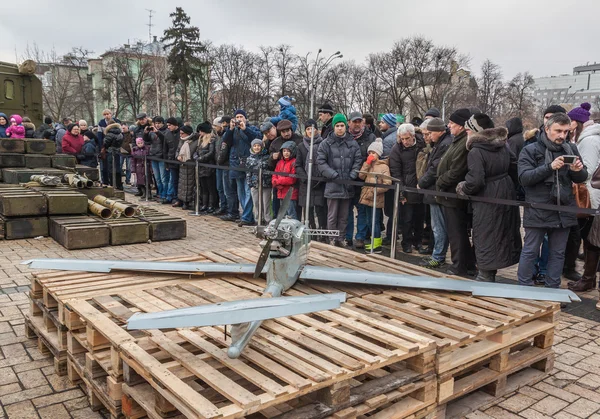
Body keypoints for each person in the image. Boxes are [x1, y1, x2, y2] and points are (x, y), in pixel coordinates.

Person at [517, 113, 587, 289]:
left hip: (563, 209)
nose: (562, 135)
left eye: (566, 131)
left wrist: (577, 170)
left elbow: (581, 177)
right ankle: (524, 287)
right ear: (547, 129)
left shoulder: (571, 149)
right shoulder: (530, 149)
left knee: (558, 253)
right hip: (538, 208)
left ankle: (552, 289)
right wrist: (549, 167)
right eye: (558, 131)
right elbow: (524, 178)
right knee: (531, 250)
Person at [455, 114, 522, 282]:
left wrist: (463, 187)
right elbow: (514, 167)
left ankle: (485, 275)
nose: (466, 133)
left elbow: (475, 181)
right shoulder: (503, 145)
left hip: (486, 197)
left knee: (484, 233)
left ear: (477, 131)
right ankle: (489, 273)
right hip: (505, 192)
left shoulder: (476, 151)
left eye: (468, 129)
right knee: (499, 232)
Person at [436, 108, 475, 275]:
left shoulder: (463, 142)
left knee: (457, 233)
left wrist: (440, 181)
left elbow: (456, 170)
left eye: (452, 123)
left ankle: (459, 265)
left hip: (453, 195)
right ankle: (466, 264)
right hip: (448, 194)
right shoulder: (457, 140)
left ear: (460, 126)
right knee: (456, 232)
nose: (449, 126)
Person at [317, 113, 362, 247]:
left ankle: (341, 238)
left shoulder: (352, 143)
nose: (340, 128)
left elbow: (357, 160)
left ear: (346, 126)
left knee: (344, 215)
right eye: (337, 126)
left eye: (342, 125)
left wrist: (352, 175)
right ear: (334, 127)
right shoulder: (326, 143)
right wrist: (333, 175)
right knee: (332, 215)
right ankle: (332, 238)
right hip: (332, 184)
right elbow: (321, 162)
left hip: (347, 185)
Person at [569, 118, 600, 292]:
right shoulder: (593, 139)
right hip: (596, 197)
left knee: (592, 240)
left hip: (592, 196)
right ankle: (589, 278)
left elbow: (588, 172)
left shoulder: (589, 141)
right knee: (592, 240)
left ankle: (589, 279)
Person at [418, 118, 452, 268]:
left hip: (436, 191)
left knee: (438, 226)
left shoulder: (444, 145)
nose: (429, 136)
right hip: (434, 190)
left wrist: (422, 182)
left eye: (430, 133)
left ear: (439, 131)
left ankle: (438, 256)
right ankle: (437, 255)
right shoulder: (439, 144)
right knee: (437, 226)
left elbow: (434, 169)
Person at [223, 109, 261, 227]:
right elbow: (225, 141)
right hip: (236, 164)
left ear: (245, 118)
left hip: (249, 164)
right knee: (241, 193)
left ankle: (247, 217)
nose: (239, 119)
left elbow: (256, 139)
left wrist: (245, 129)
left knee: (248, 191)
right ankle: (246, 215)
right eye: (237, 117)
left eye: (241, 116)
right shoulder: (233, 130)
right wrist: (230, 128)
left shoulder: (252, 128)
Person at [390, 123, 425, 253]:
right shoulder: (396, 149)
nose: (404, 141)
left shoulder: (422, 144)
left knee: (420, 218)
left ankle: (418, 242)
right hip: (406, 187)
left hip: (421, 186)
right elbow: (396, 172)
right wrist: (401, 193)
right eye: (402, 139)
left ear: (413, 136)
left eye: (407, 138)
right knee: (407, 218)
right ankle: (407, 242)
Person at [346, 111, 375, 248]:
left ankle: (360, 237)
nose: (357, 124)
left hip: (363, 180)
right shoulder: (344, 137)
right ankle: (348, 236)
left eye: (359, 121)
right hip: (347, 178)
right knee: (347, 210)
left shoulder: (370, 137)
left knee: (362, 210)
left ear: (363, 122)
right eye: (354, 121)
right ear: (349, 123)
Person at [358, 138, 390, 253]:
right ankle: (372, 241)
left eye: (373, 153)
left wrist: (375, 191)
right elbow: (361, 176)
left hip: (376, 198)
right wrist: (367, 163)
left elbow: (387, 183)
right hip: (366, 197)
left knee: (374, 221)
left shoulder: (383, 167)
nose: (371, 155)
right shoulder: (368, 165)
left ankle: (377, 244)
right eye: (369, 153)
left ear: (379, 154)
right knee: (368, 220)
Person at [296, 119, 327, 230]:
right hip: (306, 183)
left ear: (317, 130)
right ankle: (310, 231)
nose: (310, 131)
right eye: (308, 129)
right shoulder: (301, 146)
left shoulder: (323, 144)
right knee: (308, 210)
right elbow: (298, 165)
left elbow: (326, 162)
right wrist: (304, 178)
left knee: (320, 210)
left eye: (312, 129)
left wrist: (320, 178)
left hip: (319, 182)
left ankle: (322, 231)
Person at [194, 121, 218, 213]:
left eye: (201, 131)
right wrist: (196, 156)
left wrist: (201, 158)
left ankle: (211, 205)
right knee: (203, 187)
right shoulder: (200, 139)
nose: (200, 133)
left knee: (210, 187)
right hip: (201, 167)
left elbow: (211, 153)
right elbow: (197, 150)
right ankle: (205, 204)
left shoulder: (211, 139)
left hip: (208, 166)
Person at [247, 139, 272, 224]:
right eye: (255, 146)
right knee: (256, 203)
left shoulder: (266, 157)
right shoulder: (249, 158)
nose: (256, 147)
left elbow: (270, 169)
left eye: (258, 146)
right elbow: (248, 172)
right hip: (255, 184)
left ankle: (267, 220)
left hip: (266, 184)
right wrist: (250, 183)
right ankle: (258, 220)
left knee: (266, 204)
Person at [272, 141, 298, 219]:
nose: (286, 153)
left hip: (290, 193)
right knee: (283, 214)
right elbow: (274, 175)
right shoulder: (279, 162)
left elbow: (292, 179)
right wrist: (275, 182)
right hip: (281, 192)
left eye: (288, 151)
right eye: (284, 151)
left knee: (291, 214)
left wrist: (278, 181)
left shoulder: (294, 162)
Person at [176, 125, 199, 210]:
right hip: (182, 165)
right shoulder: (181, 140)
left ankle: (187, 201)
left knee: (189, 184)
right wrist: (177, 156)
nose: (181, 135)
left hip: (190, 165)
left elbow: (196, 152)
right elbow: (178, 149)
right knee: (182, 184)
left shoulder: (195, 141)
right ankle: (181, 200)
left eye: (182, 133)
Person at [144, 117, 167, 203]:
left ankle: (164, 194)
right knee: (157, 178)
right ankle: (159, 192)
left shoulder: (166, 131)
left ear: (162, 123)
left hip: (161, 156)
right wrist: (146, 133)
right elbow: (146, 140)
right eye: (155, 123)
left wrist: (157, 132)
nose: (157, 125)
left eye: (159, 123)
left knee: (163, 177)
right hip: (153, 155)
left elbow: (164, 139)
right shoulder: (152, 132)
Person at [97, 111, 120, 184]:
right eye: (105, 114)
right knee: (105, 167)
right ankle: (106, 181)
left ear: (111, 114)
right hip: (105, 146)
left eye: (108, 114)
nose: (107, 116)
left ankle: (116, 183)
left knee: (115, 167)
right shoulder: (101, 123)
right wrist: (102, 147)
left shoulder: (116, 121)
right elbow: (99, 136)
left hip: (115, 147)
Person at [213, 117, 229, 215]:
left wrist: (220, 160)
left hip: (224, 164)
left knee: (226, 188)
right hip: (218, 164)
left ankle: (227, 207)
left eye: (215, 126)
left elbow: (224, 151)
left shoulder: (225, 136)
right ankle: (223, 206)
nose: (214, 128)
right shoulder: (217, 137)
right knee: (219, 187)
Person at [164, 117, 181, 206]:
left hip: (180, 161)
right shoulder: (167, 134)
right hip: (171, 161)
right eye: (167, 125)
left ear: (175, 125)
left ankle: (180, 198)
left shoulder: (181, 133)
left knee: (181, 181)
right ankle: (175, 197)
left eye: (170, 125)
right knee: (174, 180)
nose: (168, 127)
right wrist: (166, 162)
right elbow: (165, 149)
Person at [103, 122, 124, 190]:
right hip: (117, 152)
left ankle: (112, 184)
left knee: (111, 168)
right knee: (117, 168)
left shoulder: (109, 134)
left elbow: (106, 143)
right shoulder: (120, 134)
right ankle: (119, 184)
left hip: (110, 152)